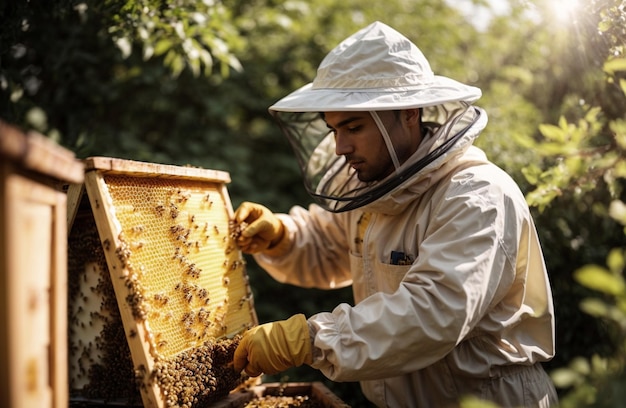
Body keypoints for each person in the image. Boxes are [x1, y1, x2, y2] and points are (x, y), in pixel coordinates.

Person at [232, 21, 558, 407]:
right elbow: (335, 247)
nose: (339, 147)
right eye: (333, 129)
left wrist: (312, 339)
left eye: (353, 127)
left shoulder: (476, 196)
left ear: (407, 113)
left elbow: (432, 313)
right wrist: (284, 235)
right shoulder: (377, 189)